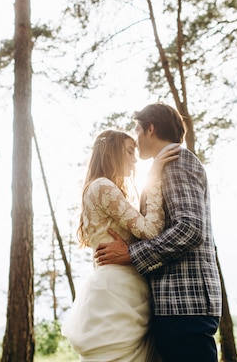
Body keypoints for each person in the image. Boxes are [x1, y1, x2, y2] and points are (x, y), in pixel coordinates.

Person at [95, 102, 222, 362]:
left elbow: (190, 229)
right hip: (177, 305)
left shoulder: (177, 161)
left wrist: (131, 254)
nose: (136, 138)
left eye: (137, 130)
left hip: (186, 304)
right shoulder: (165, 165)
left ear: (150, 128)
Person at [62, 129, 180, 362]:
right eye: (128, 151)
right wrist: (154, 176)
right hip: (118, 290)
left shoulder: (98, 188)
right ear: (111, 152)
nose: (134, 160)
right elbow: (151, 230)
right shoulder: (102, 186)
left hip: (123, 286)